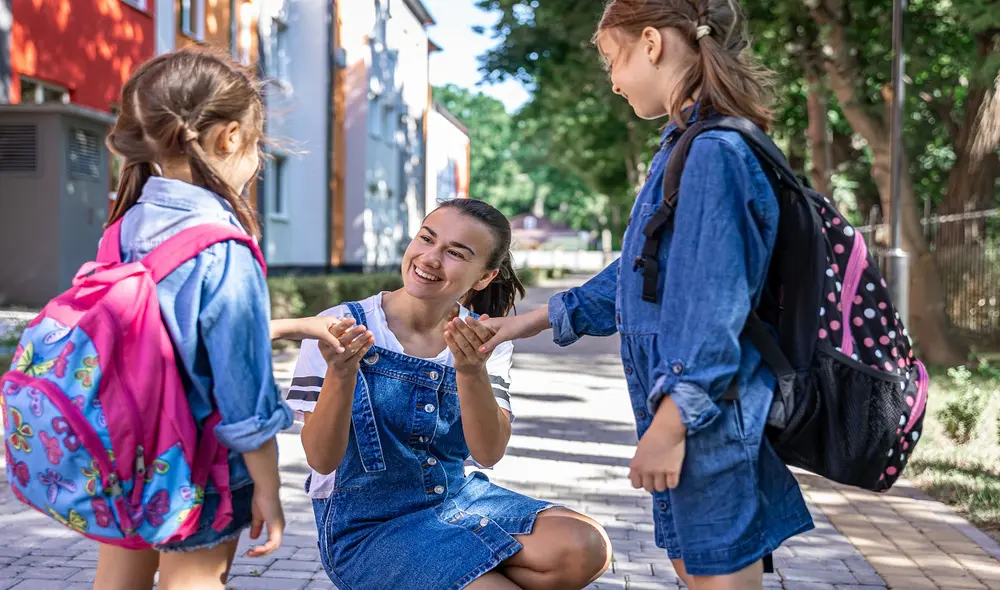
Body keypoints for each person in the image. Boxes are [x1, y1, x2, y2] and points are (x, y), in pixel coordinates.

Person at [478, 1, 814, 588]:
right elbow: (643, 271)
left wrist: (673, 421)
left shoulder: (712, 152)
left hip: (706, 412)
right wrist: (531, 320)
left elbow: (714, 303)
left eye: (612, 58)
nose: (610, 80)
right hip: (696, 409)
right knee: (695, 566)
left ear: (652, 44)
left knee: (718, 576)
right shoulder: (684, 144)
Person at [92, 47, 330, 590]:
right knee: (193, 583)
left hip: (123, 449)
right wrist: (267, 486)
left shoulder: (122, 228)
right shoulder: (223, 248)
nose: (259, 159)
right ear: (227, 137)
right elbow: (242, 393)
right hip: (200, 464)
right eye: (258, 142)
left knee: (116, 581)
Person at [285, 199, 611, 590]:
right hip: (367, 527)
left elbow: (488, 453)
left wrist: (470, 369)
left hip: (454, 502)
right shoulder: (340, 326)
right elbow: (321, 460)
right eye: (427, 238)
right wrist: (341, 372)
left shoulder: (488, 336)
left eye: (456, 253)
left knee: (585, 545)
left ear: (485, 277)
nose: (431, 258)